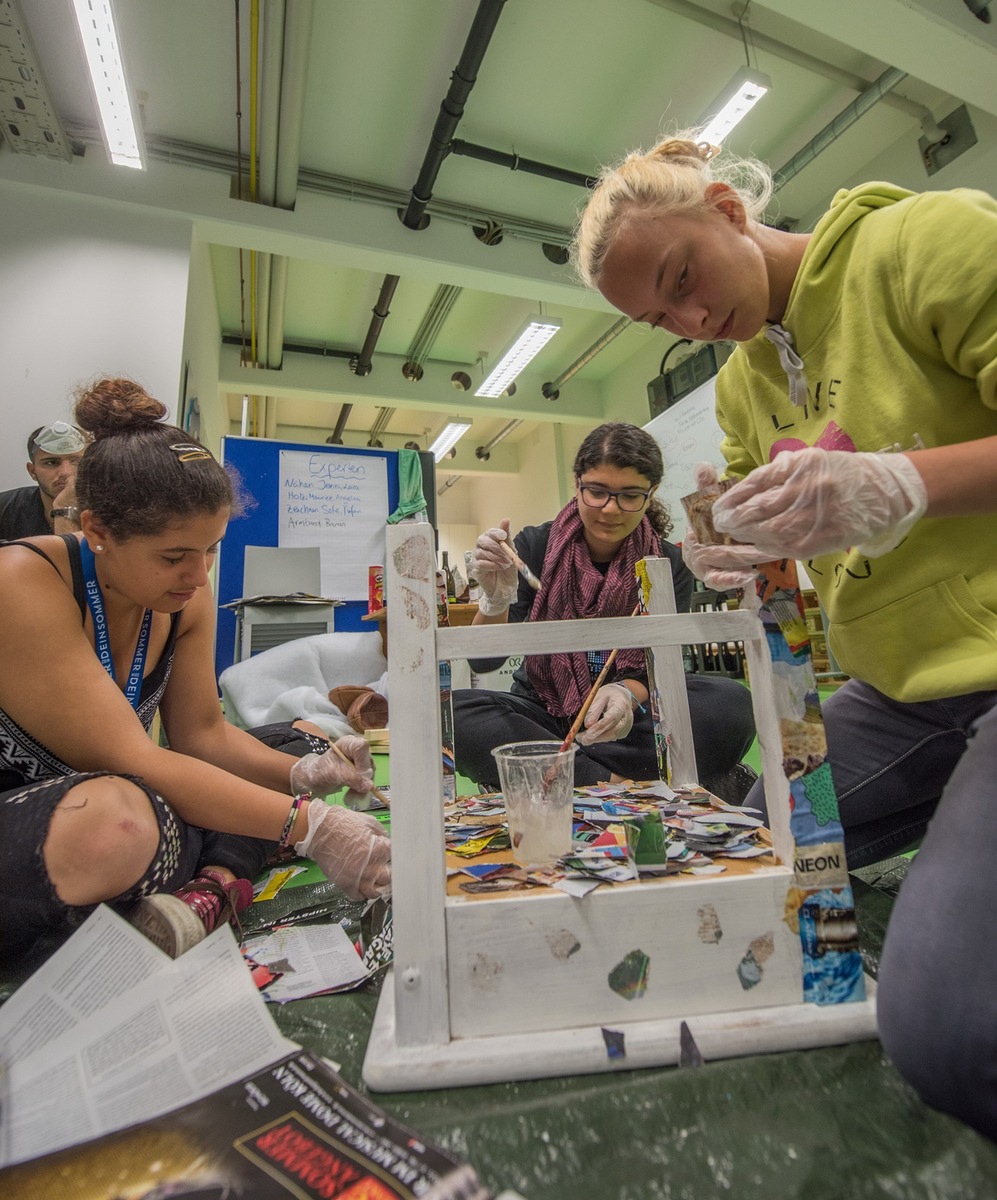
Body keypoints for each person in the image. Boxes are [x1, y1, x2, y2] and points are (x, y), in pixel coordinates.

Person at [573, 136, 997, 1140]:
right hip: (906, 689)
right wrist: (740, 557)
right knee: (750, 847)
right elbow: (787, 546)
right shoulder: (739, 386)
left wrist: (906, 482)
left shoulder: (921, 242)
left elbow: (884, 495)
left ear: (725, 206)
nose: (690, 319)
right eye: (658, 318)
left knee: (947, 1032)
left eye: (683, 279)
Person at [0, 378, 390, 964]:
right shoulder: (23, 582)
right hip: (56, 820)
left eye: (210, 550)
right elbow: (137, 760)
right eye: (174, 556)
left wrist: (309, 774)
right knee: (120, 823)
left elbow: (202, 736)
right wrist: (312, 826)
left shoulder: (187, 592)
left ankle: (204, 886)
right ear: (97, 531)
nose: (198, 575)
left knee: (293, 740)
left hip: (132, 792)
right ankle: (218, 873)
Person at [452, 422, 757, 801]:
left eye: (630, 495)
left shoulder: (667, 562)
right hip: (544, 708)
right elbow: (483, 663)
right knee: (453, 714)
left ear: (651, 494)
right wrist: (494, 602)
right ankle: (618, 783)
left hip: (632, 720)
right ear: (578, 484)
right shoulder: (537, 545)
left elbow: (661, 666)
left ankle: (549, 770)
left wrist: (626, 694)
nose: (611, 509)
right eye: (597, 492)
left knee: (732, 704)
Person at [0, 421, 87, 539]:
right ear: (32, 471)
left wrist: (64, 508)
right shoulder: (5, 509)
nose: (65, 472)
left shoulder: (111, 511)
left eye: (76, 461)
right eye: (51, 462)